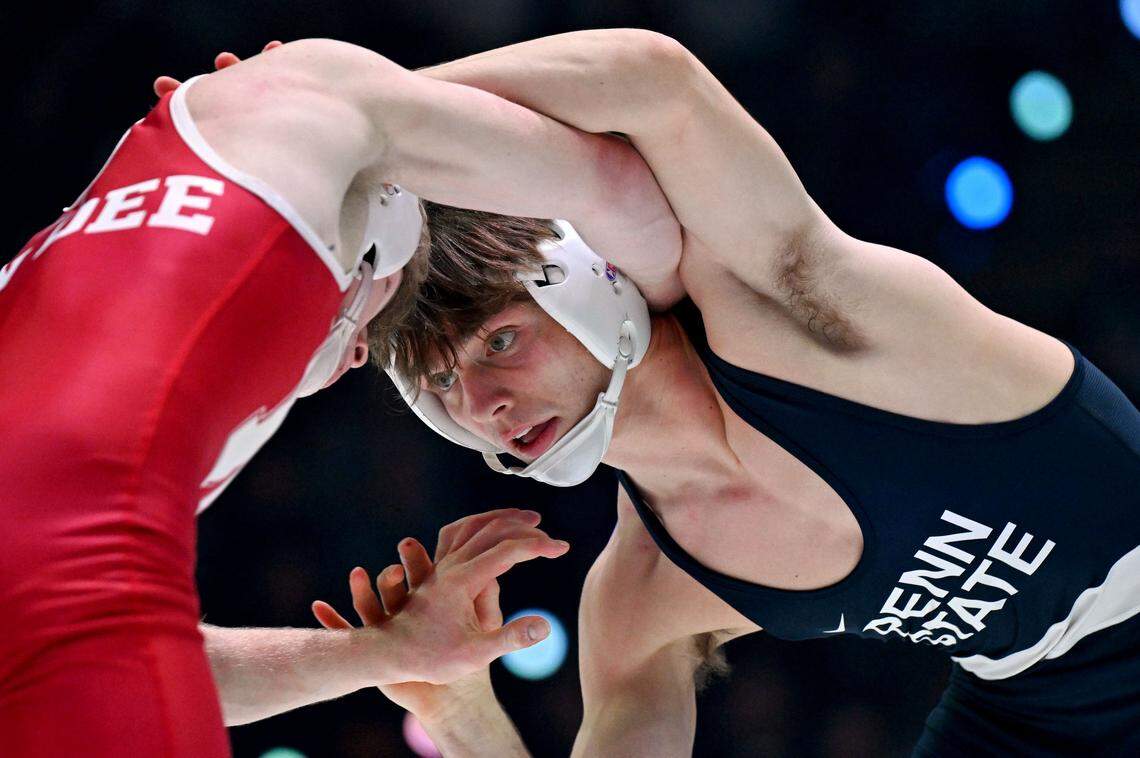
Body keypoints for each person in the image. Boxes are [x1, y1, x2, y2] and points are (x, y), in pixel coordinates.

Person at [371, 29, 1140, 755]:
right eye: (442, 382)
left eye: (500, 342)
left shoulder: (794, 318)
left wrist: (348, 126)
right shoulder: (644, 594)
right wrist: (462, 711)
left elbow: (655, 82)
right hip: (1027, 714)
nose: (480, 404)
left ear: (583, 285)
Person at [0, 37, 684, 756]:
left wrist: (390, 653)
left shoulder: (48, 283)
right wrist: (679, 333)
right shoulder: (307, 107)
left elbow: (77, 634)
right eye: (383, 310)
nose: (358, 355)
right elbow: (618, 173)